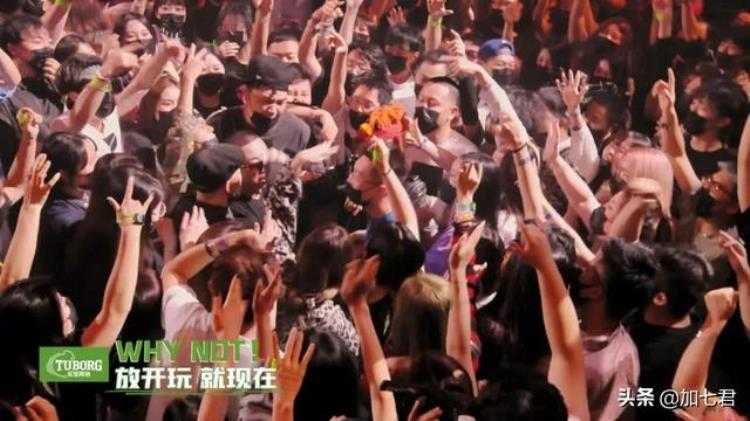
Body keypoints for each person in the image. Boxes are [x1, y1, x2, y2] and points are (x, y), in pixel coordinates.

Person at [209, 55, 311, 156]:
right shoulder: (219, 124)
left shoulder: (299, 131)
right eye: (266, 101)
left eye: (280, 102)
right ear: (243, 94)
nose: (273, 110)